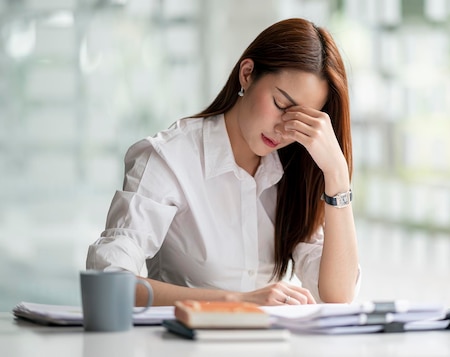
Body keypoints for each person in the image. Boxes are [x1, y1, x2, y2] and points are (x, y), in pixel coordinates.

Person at [86, 18, 360, 306]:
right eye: (281, 105)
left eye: (302, 121)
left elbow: (337, 296)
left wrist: (337, 174)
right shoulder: (170, 158)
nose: (284, 129)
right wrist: (235, 301)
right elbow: (108, 282)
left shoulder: (293, 170)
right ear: (247, 74)